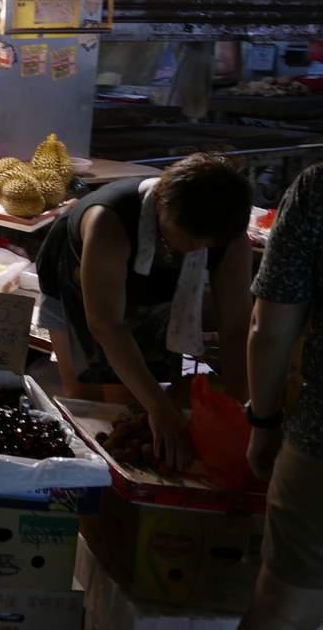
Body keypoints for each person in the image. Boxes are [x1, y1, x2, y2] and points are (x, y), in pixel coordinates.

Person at [36, 153, 254, 471]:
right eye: (188, 237)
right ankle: (91, 497)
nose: (197, 247)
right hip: (73, 281)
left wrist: (240, 411)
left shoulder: (229, 239)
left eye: (206, 241)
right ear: (161, 205)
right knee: (89, 400)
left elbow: (235, 330)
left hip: (155, 296)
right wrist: (161, 410)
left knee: (137, 404)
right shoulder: (109, 220)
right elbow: (106, 324)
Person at [240, 164, 323, 630]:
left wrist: (264, 423)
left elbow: (268, 329)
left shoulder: (316, 189)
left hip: (320, 442)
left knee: (284, 609)